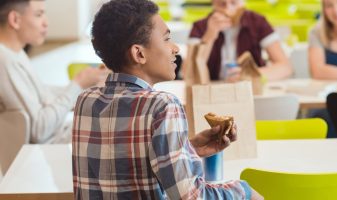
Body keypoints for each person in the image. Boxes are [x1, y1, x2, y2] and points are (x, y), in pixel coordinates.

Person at [73, 0, 263, 199]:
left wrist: (187, 150)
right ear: (139, 53)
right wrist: (243, 190)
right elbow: (191, 197)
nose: (175, 48)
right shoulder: (163, 105)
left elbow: (123, 169)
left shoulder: (86, 100)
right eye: (166, 39)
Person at [0, 0, 107, 144]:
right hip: (45, 149)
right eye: (39, 15)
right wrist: (77, 84)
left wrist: (87, 89)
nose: (46, 23)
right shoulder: (4, 60)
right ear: (15, 20)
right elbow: (39, 131)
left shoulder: (16, 54)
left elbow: (43, 96)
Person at [186, 0, 292, 82]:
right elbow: (188, 71)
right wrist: (209, 35)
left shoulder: (258, 22)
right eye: (222, 4)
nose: (228, 9)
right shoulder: (200, 27)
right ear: (213, 3)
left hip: (250, 91)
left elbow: (284, 67)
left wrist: (251, 75)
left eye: (233, 2)